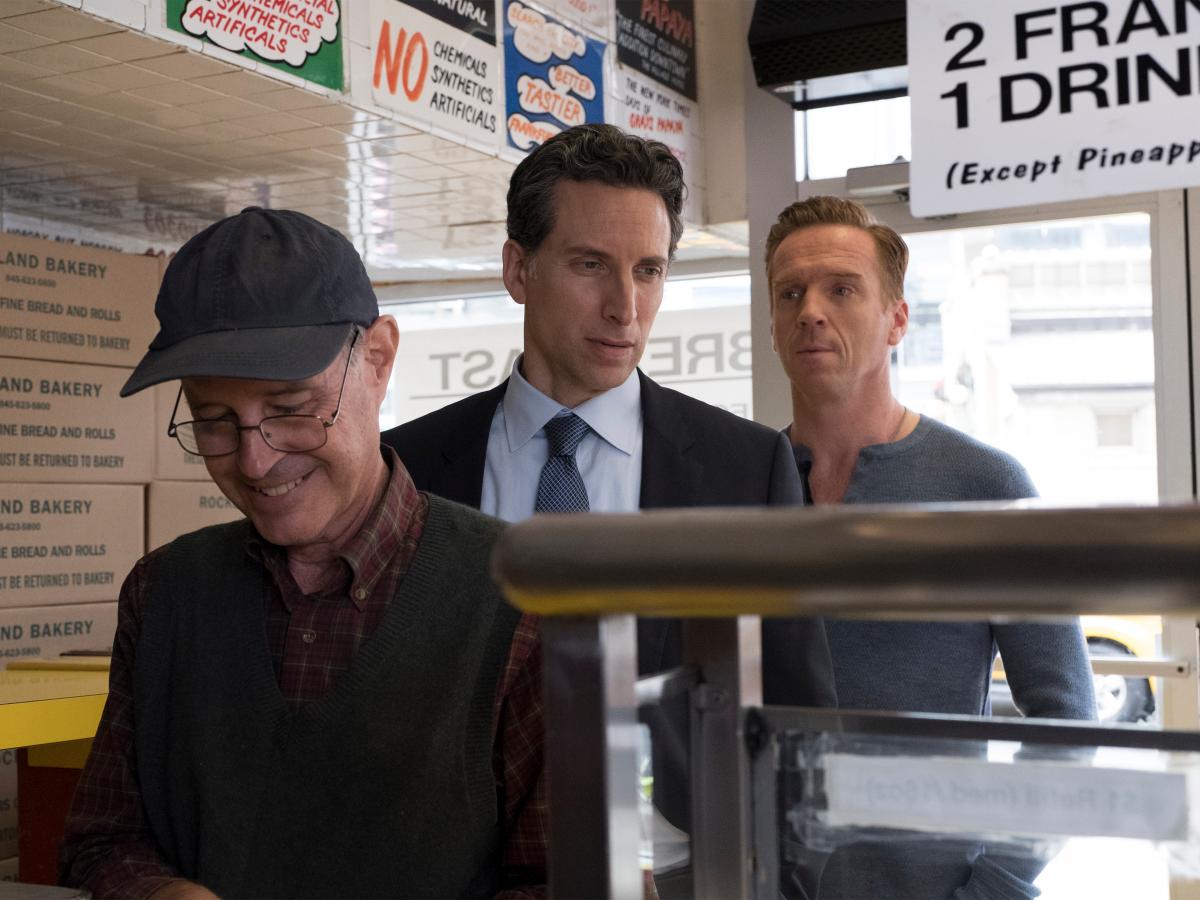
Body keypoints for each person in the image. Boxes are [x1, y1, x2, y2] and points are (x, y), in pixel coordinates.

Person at [382, 124, 836, 890]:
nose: (626, 308)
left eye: (648, 270)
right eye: (591, 265)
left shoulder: (744, 470)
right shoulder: (407, 467)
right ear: (518, 269)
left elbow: (800, 725)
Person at [59, 207, 545, 899]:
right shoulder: (162, 592)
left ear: (377, 360)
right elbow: (101, 844)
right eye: (213, 421)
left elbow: (577, 881)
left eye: (291, 407)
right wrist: (161, 894)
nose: (255, 462)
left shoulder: (524, 596)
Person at [766, 195, 1095, 898]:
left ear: (897, 320)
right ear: (771, 323)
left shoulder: (985, 484)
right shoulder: (746, 481)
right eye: (790, 293)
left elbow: (1067, 718)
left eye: (842, 290)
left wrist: (996, 886)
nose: (810, 311)